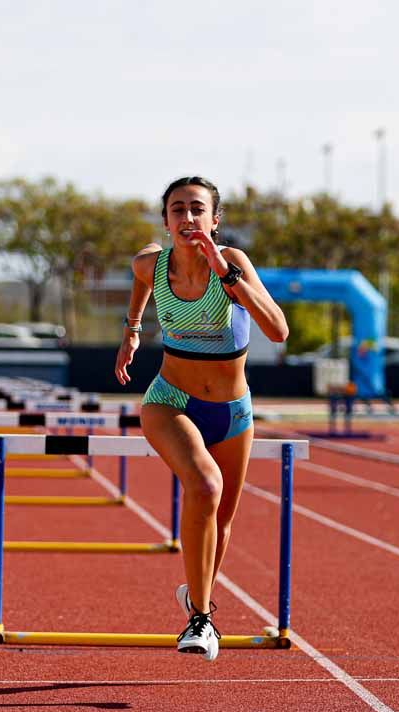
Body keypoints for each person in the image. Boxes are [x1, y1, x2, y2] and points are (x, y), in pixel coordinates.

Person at [115, 176, 288, 662]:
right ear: (166, 220)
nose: (187, 218)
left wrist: (227, 275)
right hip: (171, 399)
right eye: (177, 210)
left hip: (233, 410)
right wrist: (131, 330)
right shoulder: (152, 264)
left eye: (197, 209)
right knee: (205, 487)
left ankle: (195, 597)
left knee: (224, 522)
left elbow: (278, 330)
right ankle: (201, 618)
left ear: (215, 220)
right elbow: (140, 278)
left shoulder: (232, 263)